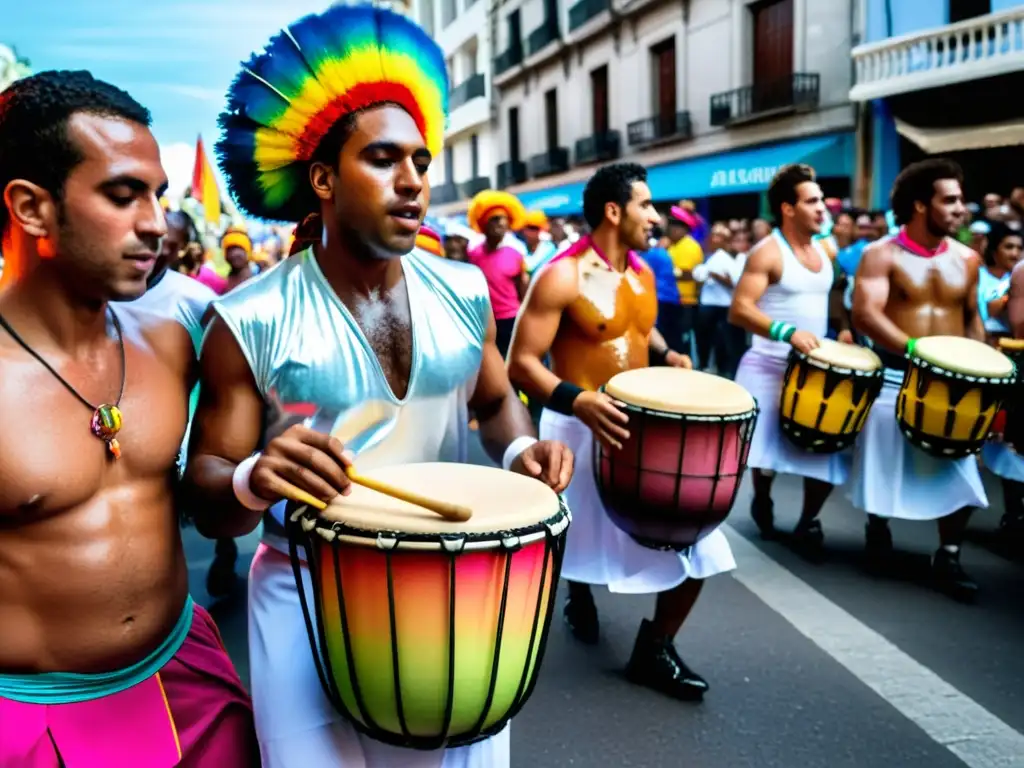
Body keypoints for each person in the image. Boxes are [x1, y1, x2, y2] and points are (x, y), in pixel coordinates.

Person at [181, 7, 574, 766]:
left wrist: (524, 447)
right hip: (302, 592)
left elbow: (493, 401)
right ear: (323, 178)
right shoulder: (247, 316)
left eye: (422, 162)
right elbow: (205, 496)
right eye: (385, 160)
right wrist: (254, 477)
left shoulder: (462, 290)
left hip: (454, 584)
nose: (413, 182)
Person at [0, 70, 256, 767]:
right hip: (27, 721)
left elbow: (218, 515)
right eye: (122, 194)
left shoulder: (177, 340)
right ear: (31, 207)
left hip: (187, 680)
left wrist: (256, 476)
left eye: (158, 196)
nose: (156, 223)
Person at [508, 162, 736, 702]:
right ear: (614, 211)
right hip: (576, 426)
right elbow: (521, 362)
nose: (655, 217)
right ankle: (579, 594)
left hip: (640, 430)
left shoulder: (643, 273)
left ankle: (654, 647)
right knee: (571, 540)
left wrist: (667, 353)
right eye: (646, 206)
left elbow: (639, 326)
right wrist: (578, 400)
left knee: (698, 543)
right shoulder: (561, 276)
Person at [849, 158, 985, 600]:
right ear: (921, 205)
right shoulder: (881, 254)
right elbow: (865, 314)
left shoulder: (967, 259)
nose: (961, 209)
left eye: (961, 200)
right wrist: (914, 350)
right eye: (950, 200)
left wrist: (982, 370)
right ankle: (878, 528)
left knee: (961, 466)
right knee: (885, 463)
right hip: (895, 373)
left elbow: (972, 319)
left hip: (953, 383)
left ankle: (948, 553)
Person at [729, 164, 852, 559]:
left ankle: (808, 521)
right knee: (763, 453)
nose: (822, 209)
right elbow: (740, 309)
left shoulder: (826, 249)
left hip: (816, 371)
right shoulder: (767, 252)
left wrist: (844, 328)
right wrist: (786, 332)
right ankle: (762, 495)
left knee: (826, 448)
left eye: (821, 201)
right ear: (787, 208)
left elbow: (834, 293)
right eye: (812, 201)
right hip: (767, 367)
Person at [465, 189, 528, 358]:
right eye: (495, 219)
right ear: (484, 224)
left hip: (511, 320)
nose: (501, 223)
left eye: (504, 219)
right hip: (484, 321)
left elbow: (524, 290)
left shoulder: (516, 254)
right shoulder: (473, 254)